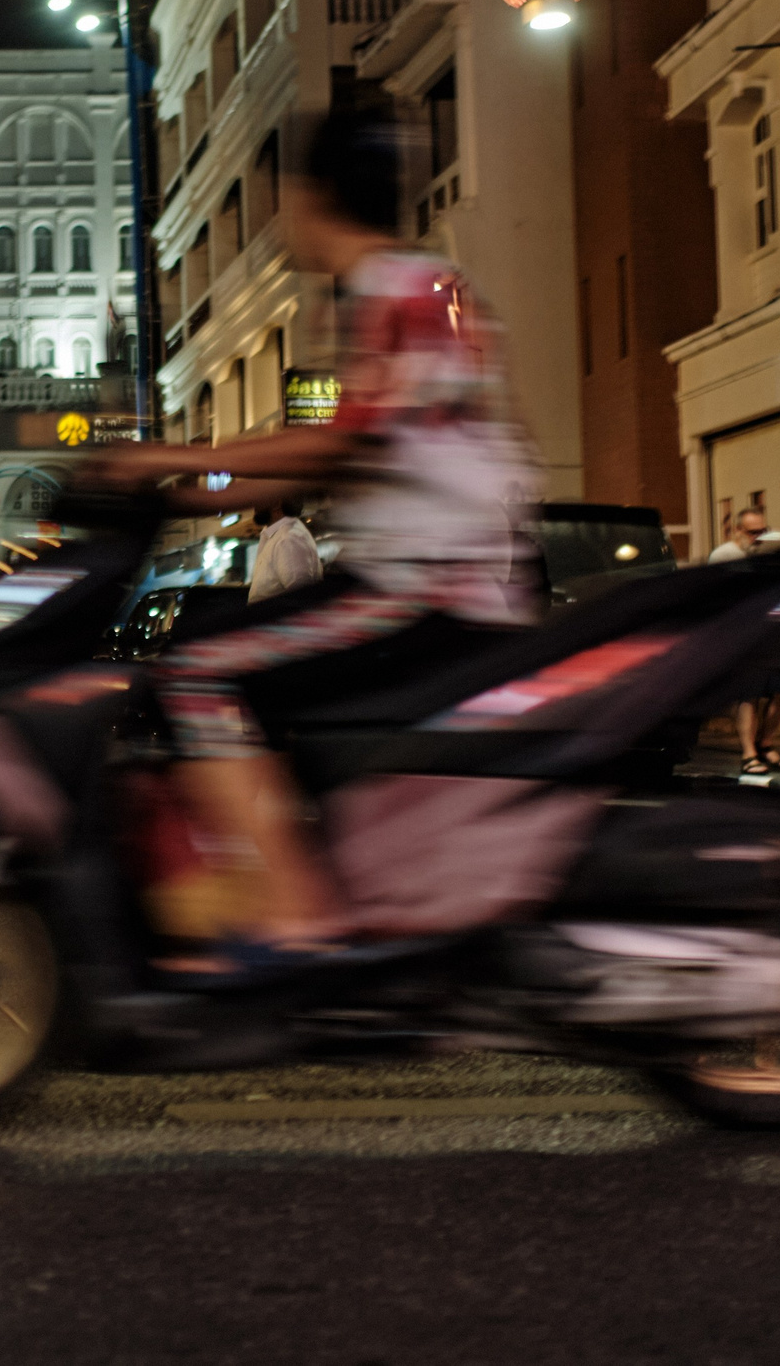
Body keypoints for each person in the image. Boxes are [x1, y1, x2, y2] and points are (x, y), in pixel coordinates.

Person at [80, 105, 543, 970]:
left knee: (196, 668)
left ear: (308, 197)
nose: (276, 220)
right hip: (430, 574)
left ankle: (295, 918)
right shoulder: (415, 286)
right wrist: (179, 486)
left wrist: (169, 456)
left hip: (425, 587)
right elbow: (327, 462)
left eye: (278, 198)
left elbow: (339, 439)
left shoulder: (394, 288)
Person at [709, 506, 780, 774]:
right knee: (749, 694)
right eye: (753, 532)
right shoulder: (724, 556)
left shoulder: (768, 556)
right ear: (738, 530)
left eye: (763, 531)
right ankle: (749, 753)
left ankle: (765, 743)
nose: (758, 537)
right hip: (741, 636)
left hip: (771, 633)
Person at [247, 499, 324, 603]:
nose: (254, 505)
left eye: (260, 498)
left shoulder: (289, 538)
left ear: (276, 504)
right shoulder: (276, 535)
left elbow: (301, 598)